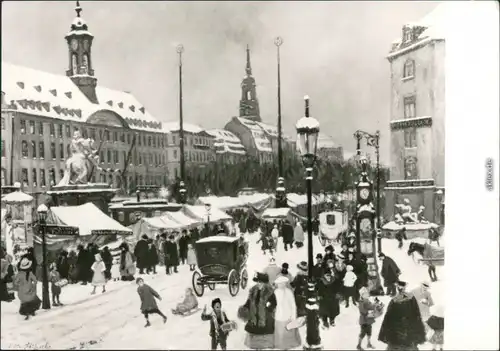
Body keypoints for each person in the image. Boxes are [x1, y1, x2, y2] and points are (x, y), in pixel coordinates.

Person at [378, 281, 426, 350]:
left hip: (406, 327)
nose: (401, 289)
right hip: (401, 328)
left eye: (401, 287)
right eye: (399, 287)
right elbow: (389, 316)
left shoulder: (407, 298)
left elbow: (416, 312)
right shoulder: (397, 299)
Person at [238, 272, 277, 350]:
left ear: (265, 283)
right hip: (254, 318)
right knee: (255, 339)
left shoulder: (269, 292)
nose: (259, 284)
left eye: (261, 282)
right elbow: (249, 302)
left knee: (263, 339)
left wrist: (269, 307)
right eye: (257, 282)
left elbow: (274, 303)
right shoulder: (253, 291)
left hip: (265, 318)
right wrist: (244, 308)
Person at [273, 276, 301, 350]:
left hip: (288, 316)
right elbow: (274, 304)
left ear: (285, 284)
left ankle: (287, 347)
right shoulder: (276, 292)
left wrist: (293, 317)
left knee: (288, 333)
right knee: (280, 334)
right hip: (278, 316)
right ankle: (281, 346)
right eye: (279, 284)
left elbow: (293, 305)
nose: (281, 285)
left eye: (282, 284)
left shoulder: (289, 292)